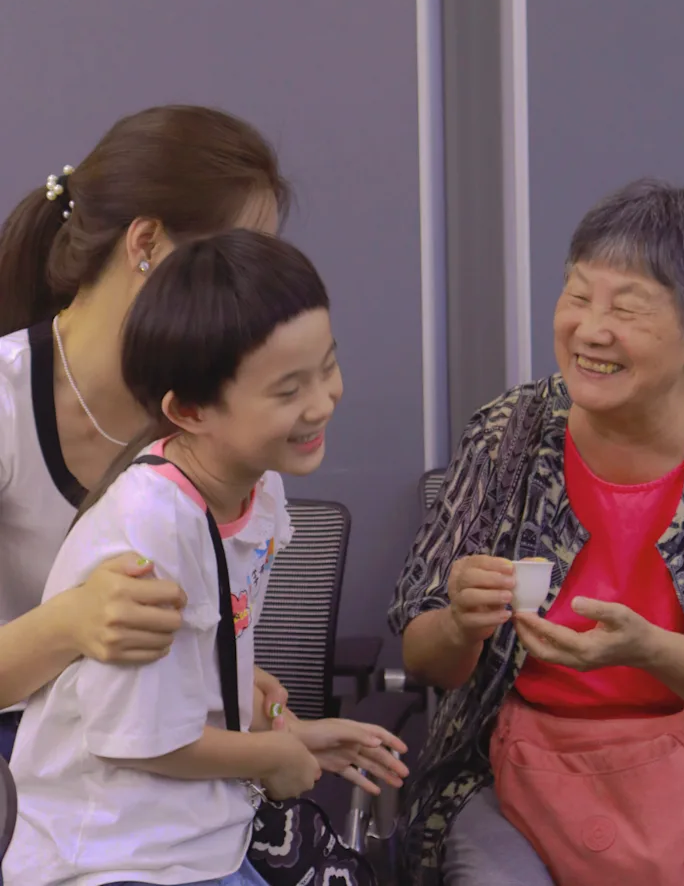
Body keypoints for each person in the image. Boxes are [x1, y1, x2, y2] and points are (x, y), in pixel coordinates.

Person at [5, 229, 408, 886]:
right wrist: (272, 757)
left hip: (199, 836)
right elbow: (141, 739)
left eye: (327, 367)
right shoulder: (153, 529)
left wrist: (284, 725)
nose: (322, 402)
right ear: (189, 410)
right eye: (288, 390)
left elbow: (197, 669)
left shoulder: (260, 485)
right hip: (108, 855)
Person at [389, 179, 684, 886]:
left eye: (627, 308)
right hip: (511, 776)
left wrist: (649, 650)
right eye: (578, 296)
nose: (590, 330)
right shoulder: (507, 436)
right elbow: (424, 661)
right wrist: (460, 623)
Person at [0, 105, 292, 757]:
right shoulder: (8, 400)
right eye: (233, 263)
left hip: (152, 771)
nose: (255, 298)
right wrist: (70, 623)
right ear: (147, 244)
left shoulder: (217, 416)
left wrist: (241, 693)